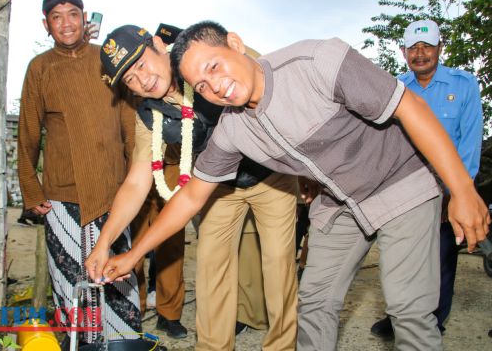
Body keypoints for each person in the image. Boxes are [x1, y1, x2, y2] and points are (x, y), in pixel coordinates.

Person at [98, 21, 491, 351]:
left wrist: (462, 189)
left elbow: (411, 107)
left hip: (398, 182)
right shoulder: (231, 129)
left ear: (236, 44)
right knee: (314, 302)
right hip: (339, 201)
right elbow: (192, 196)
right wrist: (132, 256)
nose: (215, 87)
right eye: (201, 85)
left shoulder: (317, 60)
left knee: (407, 308)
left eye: (215, 67)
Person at [86, 24, 300, 350]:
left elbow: (266, 77)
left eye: (141, 64)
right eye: (130, 78)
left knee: (278, 267)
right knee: (211, 275)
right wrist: (104, 243)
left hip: (271, 177)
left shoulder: (200, 57)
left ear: (158, 44)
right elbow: (136, 181)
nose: (142, 80)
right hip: (214, 190)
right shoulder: (148, 114)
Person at [17, 0, 140, 346]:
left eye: (73, 14)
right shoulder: (39, 68)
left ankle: (121, 343)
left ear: (85, 18)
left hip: (114, 190)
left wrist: (135, 179)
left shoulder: (106, 61)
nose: (67, 23)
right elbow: (27, 131)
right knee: (70, 279)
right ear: (46, 24)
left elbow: (129, 125)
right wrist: (31, 185)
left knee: (117, 277)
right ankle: (80, 344)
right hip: (61, 193)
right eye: (57, 17)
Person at [370, 19, 483, 338]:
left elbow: (470, 140)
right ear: (404, 52)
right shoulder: (396, 87)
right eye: (413, 48)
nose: (420, 53)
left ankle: (434, 320)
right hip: (404, 188)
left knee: (441, 260)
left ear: (439, 48)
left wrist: (460, 189)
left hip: (446, 188)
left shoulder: (464, 85)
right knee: (402, 257)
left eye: (427, 46)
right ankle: (400, 317)